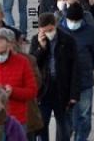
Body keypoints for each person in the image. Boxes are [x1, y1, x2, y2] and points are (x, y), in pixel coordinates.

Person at [29, 13, 80, 141]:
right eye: (44, 31)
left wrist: (74, 94)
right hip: (44, 90)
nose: (47, 33)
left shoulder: (67, 40)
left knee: (64, 127)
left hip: (62, 89)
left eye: (50, 30)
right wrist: (41, 47)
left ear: (55, 25)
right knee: (41, 126)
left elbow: (75, 69)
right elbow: (32, 64)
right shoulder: (36, 40)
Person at [62, 4, 94, 141]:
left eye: (76, 21)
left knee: (84, 114)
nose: (73, 24)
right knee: (68, 115)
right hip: (65, 81)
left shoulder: (89, 31)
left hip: (84, 79)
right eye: (71, 20)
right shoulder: (61, 30)